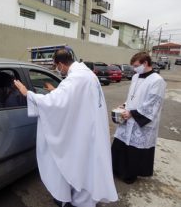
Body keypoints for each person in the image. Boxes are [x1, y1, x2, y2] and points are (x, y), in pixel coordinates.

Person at [14, 49, 118, 207]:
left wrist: (27, 93)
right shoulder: (87, 73)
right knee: (88, 167)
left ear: (61, 64)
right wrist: (57, 91)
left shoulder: (75, 78)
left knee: (81, 166)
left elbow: (53, 103)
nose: (58, 70)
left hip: (84, 131)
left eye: (57, 67)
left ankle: (80, 202)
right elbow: (77, 99)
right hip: (91, 128)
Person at [111, 52, 166, 184]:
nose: (134, 69)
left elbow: (153, 103)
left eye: (136, 66)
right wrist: (125, 105)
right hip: (128, 116)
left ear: (145, 63)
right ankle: (115, 170)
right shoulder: (136, 77)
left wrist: (133, 113)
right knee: (120, 143)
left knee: (134, 150)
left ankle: (128, 175)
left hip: (140, 120)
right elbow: (132, 96)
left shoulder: (157, 80)